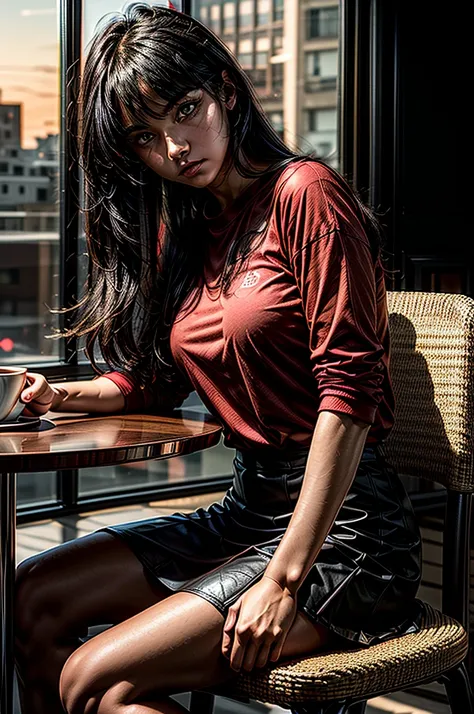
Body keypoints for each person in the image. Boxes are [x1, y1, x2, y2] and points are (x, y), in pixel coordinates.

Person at [14, 4, 424, 714]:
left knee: (94, 681)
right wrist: (64, 396)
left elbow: (349, 398)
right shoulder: (193, 224)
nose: (175, 147)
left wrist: (283, 581)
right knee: (35, 597)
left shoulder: (307, 196)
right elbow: (158, 381)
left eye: (186, 110)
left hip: (346, 538)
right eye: (147, 136)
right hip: (247, 511)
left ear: (228, 92)